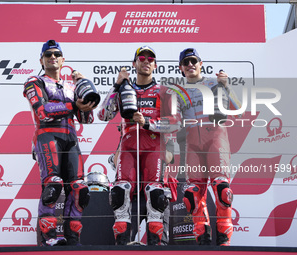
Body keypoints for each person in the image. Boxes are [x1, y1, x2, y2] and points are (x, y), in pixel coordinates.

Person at [98, 46, 181, 245]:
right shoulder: (125, 89)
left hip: (154, 147)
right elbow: (103, 115)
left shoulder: (166, 91)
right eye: (141, 57)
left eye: (150, 58)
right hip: (128, 147)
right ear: (134, 63)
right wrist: (116, 85)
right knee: (120, 192)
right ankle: (122, 243)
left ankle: (155, 244)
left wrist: (148, 123)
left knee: (156, 193)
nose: (146, 61)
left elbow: (176, 121)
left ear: (155, 64)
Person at [23, 40, 96, 246]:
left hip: (71, 139)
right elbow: (42, 112)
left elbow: (86, 119)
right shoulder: (34, 81)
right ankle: (49, 239)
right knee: (53, 186)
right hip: (47, 136)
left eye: (56, 54)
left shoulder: (72, 86)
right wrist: (74, 105)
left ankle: (73, 239)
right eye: (48, 55)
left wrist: (84, 88)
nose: (52, 57)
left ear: (63, 60)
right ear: (42, 60)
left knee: (79, 189)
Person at [177, 48, 240, 246]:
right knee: (193, 194)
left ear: (201, 63)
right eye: (186, 62)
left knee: (222, 189)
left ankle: (224, 238)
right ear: (181, 68)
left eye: (193, 60)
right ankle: (202, 237)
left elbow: (237, 108)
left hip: (215, 139)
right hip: (191, 144)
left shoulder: (215, 83)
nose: (190, 65)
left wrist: (227, 86)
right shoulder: (177, 91)